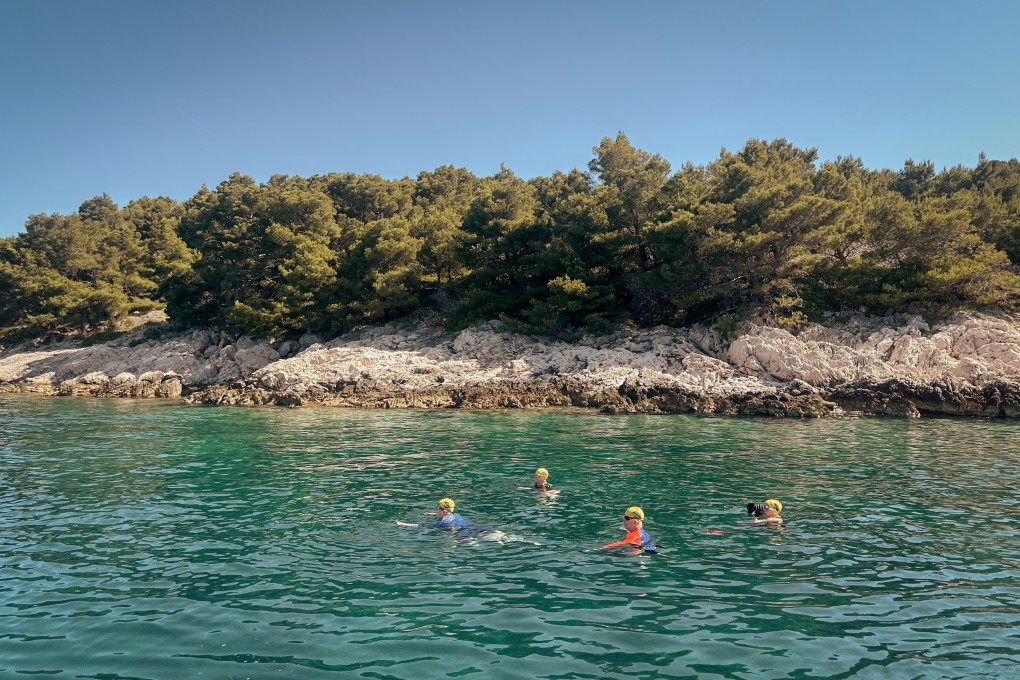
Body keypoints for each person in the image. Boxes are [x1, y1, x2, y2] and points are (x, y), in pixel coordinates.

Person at [397, 497, 491, 538]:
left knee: (469, 542)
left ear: (444, 511)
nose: (436, 509)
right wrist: (431, 514)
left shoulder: (440, 522)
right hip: (473, 526)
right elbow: (447, 515)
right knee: (490, 534)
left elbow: (420, 525)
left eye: (438, 508)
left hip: (462, 532)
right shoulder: (455, 515)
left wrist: (403, 524)